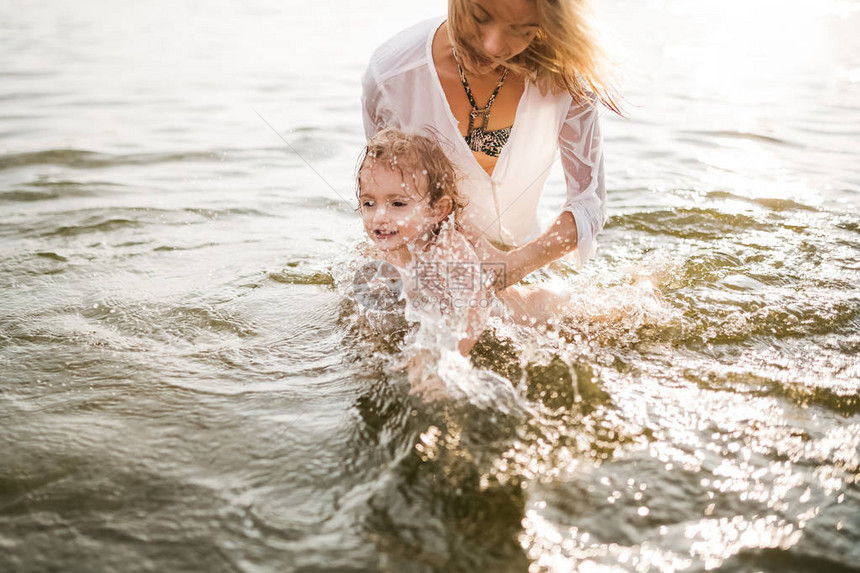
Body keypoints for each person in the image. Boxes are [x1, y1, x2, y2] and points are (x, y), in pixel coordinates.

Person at [362, 0, 619, 291]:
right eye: (479, 16)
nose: (493, 45)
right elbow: (381, 197)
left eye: (521, 30)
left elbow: (590, 205)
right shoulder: (390, 76)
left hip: (530, 270)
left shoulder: (567, 79)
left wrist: (515, 265)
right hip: (427, 273)